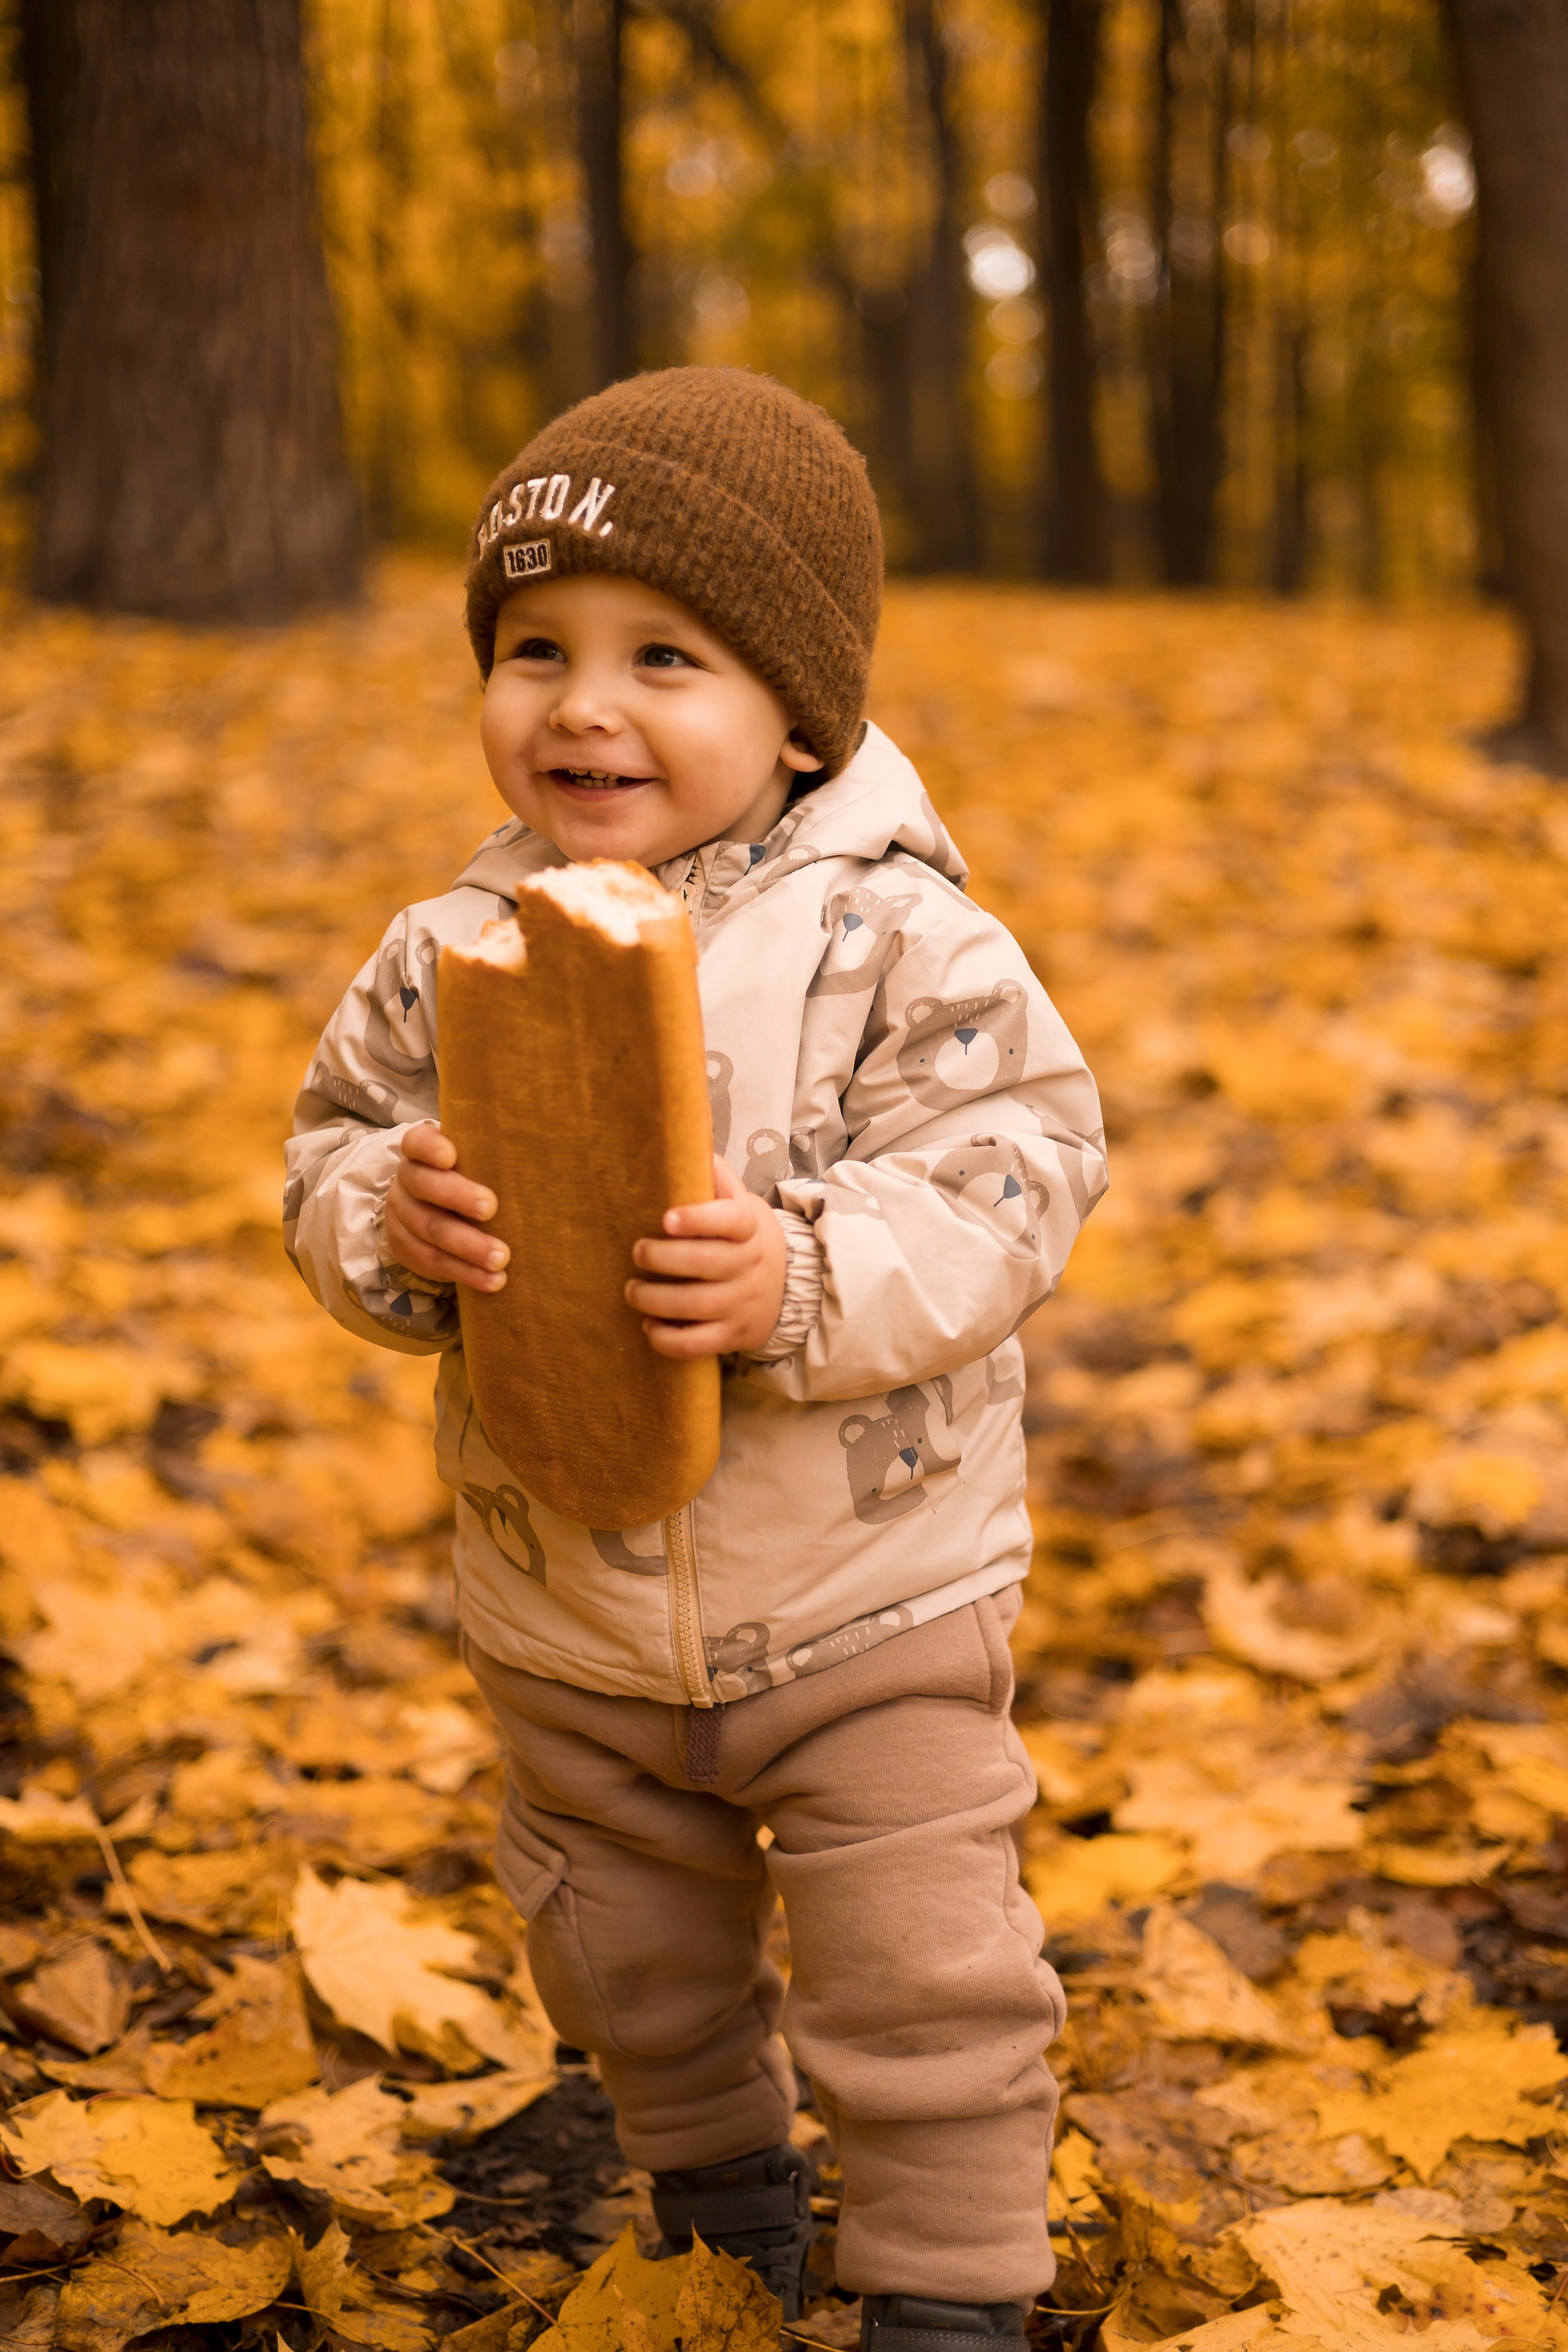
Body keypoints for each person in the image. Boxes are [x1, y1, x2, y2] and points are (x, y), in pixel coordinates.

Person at [285, 367, 1107, 2352]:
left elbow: (1021, 1173)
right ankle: (721, 2214)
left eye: (666, 655)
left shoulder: (901, 942)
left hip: (868, 1596)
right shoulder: (445, 947)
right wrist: (390, 1225)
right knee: (626, 1961)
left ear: (799, 709)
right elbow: (323, 1150)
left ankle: (946, 2297)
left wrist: (807, 1275)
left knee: (924, 1973)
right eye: (534, 649)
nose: (583, 704)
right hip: (568, 1603)